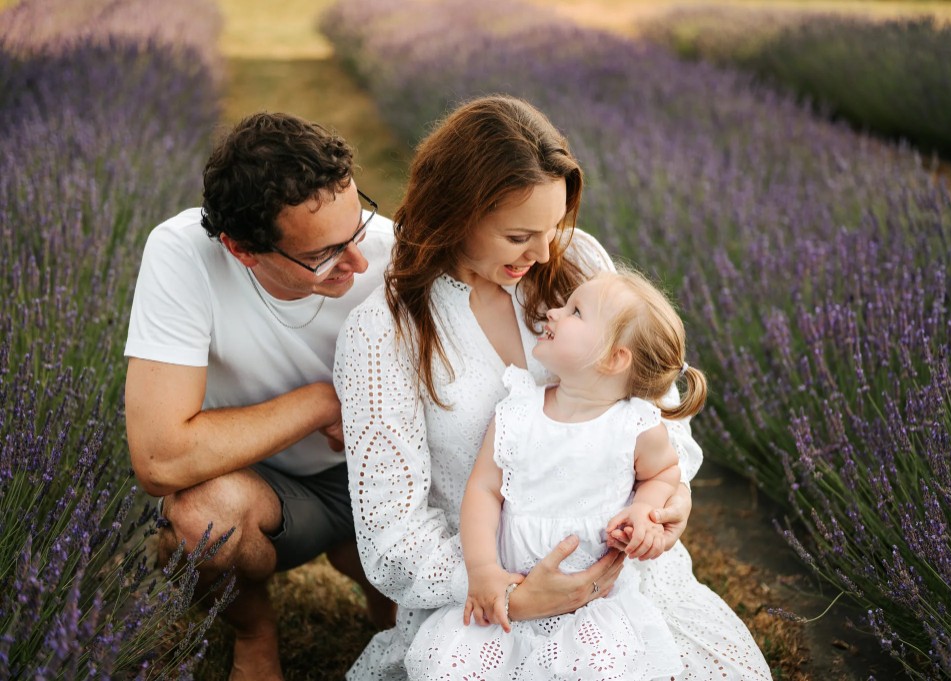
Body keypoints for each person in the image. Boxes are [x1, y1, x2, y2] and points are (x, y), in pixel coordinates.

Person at [336, 94, 771, 679]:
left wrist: (667, 499)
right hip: (486, 605)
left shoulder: (575, 260)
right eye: (519, 236)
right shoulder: (383, 334)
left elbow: (653, 400)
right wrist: (506, 590)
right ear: (455, 214)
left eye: (555, 225)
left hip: (622, 586)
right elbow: (392, 536)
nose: (543, 253)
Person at [124, 112, 395, 681]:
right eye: (324, 254)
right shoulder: (182, 254)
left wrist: (385, 413)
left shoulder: (393, 252)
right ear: (243, 249)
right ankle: (253, 629)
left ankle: (385, 590)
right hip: (263, 486)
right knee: (198, 521)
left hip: (381, 479)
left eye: (358, 227)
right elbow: (159, 458)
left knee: (403, 621)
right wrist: (321, 402)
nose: (359, 262)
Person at [406, 269, 711, 680]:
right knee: (448, 666)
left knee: (604, 667)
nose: (551, 312)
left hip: (596, 602)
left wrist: (644, 510)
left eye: (575, 311)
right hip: (511, 589)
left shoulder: (635, 425)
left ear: (613, 357)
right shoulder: (517, 411)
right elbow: (483, 490)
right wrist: (482, 571)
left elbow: (663, 473)